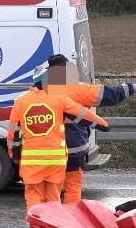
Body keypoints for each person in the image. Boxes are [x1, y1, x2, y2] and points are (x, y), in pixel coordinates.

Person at [7, 64, 110, 228]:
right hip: (55, 159)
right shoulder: (59, 98)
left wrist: (14, 155)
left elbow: (13, 133)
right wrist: (103, 124)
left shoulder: (21, 101)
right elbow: (82, 114)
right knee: (53, 196)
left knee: (34, 196)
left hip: (32, 161)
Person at [44, 54, 134, 203]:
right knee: (73, 186)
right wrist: (131, 87)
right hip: (74, 149)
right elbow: (109, 95)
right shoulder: (77, 89)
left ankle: (50, 221)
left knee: (51, 188)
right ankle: (71, 220)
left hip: (50, 150)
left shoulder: (41, 92)